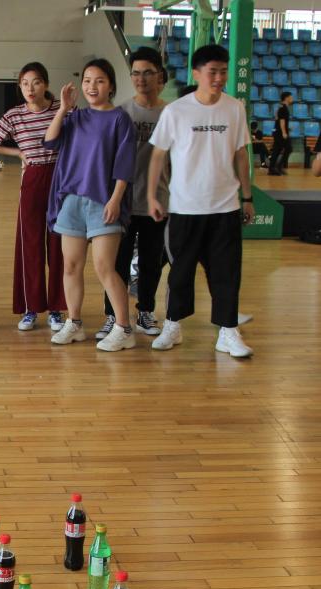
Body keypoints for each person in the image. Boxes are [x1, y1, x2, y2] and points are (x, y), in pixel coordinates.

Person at [147, 44, 254, 358]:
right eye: (212, 72)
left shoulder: (234, 108)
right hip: (185, 207)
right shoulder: (176, 111)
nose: (219, 78)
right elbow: (158, 155)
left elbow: (241, 154)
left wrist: (247, 196)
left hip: (225, 206)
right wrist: (152, 195)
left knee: (227, 272)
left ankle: (228, 331)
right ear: (196, 73)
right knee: (180, 272)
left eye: (223, 71)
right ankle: (173, 325)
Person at [43, 59, 136, 352]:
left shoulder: (120, 120)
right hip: (71, 199)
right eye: (87, 81)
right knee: (70, 266)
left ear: (111, 86)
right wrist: (62, 108)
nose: (92, 86)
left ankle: (124, 328)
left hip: (103, 200)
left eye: (99, 81)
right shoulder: (76, 117)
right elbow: (49, 141)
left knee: (104, 267)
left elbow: (125, 165)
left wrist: (116, 199)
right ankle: (75, 323)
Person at [0, 62, 67, 333]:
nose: (30, 88)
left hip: (60, 179)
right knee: (30, 244)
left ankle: (56, 309)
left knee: (58, 245)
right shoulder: (15, 115)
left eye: (36, 82)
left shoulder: (61, 108)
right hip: (32, 179)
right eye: (25, 83)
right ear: (20, 87)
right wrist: (17, 153)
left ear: (46, 84)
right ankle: (31, 307)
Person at [95, 47, 169, 342]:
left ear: (159, 76)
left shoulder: (170, 113)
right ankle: (112, 315)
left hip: (157, 201)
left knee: (151, 261)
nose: (140, 78)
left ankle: (146, 311)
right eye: (135, 73)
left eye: (147, 73)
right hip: (122, 202)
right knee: (117, 262)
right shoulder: (121, 112)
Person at [268, 91, 293, 176]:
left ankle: (274, 168)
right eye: (291, 97)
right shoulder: (283, 108)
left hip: (279, 132)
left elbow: (278, 119)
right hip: (280, 133)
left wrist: (287, 129)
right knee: (288, 149)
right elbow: (282, 121)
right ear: (286, 98)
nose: (292, 99)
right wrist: (284, 132)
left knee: (277, 150)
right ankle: (276, 167)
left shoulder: (282, 107)